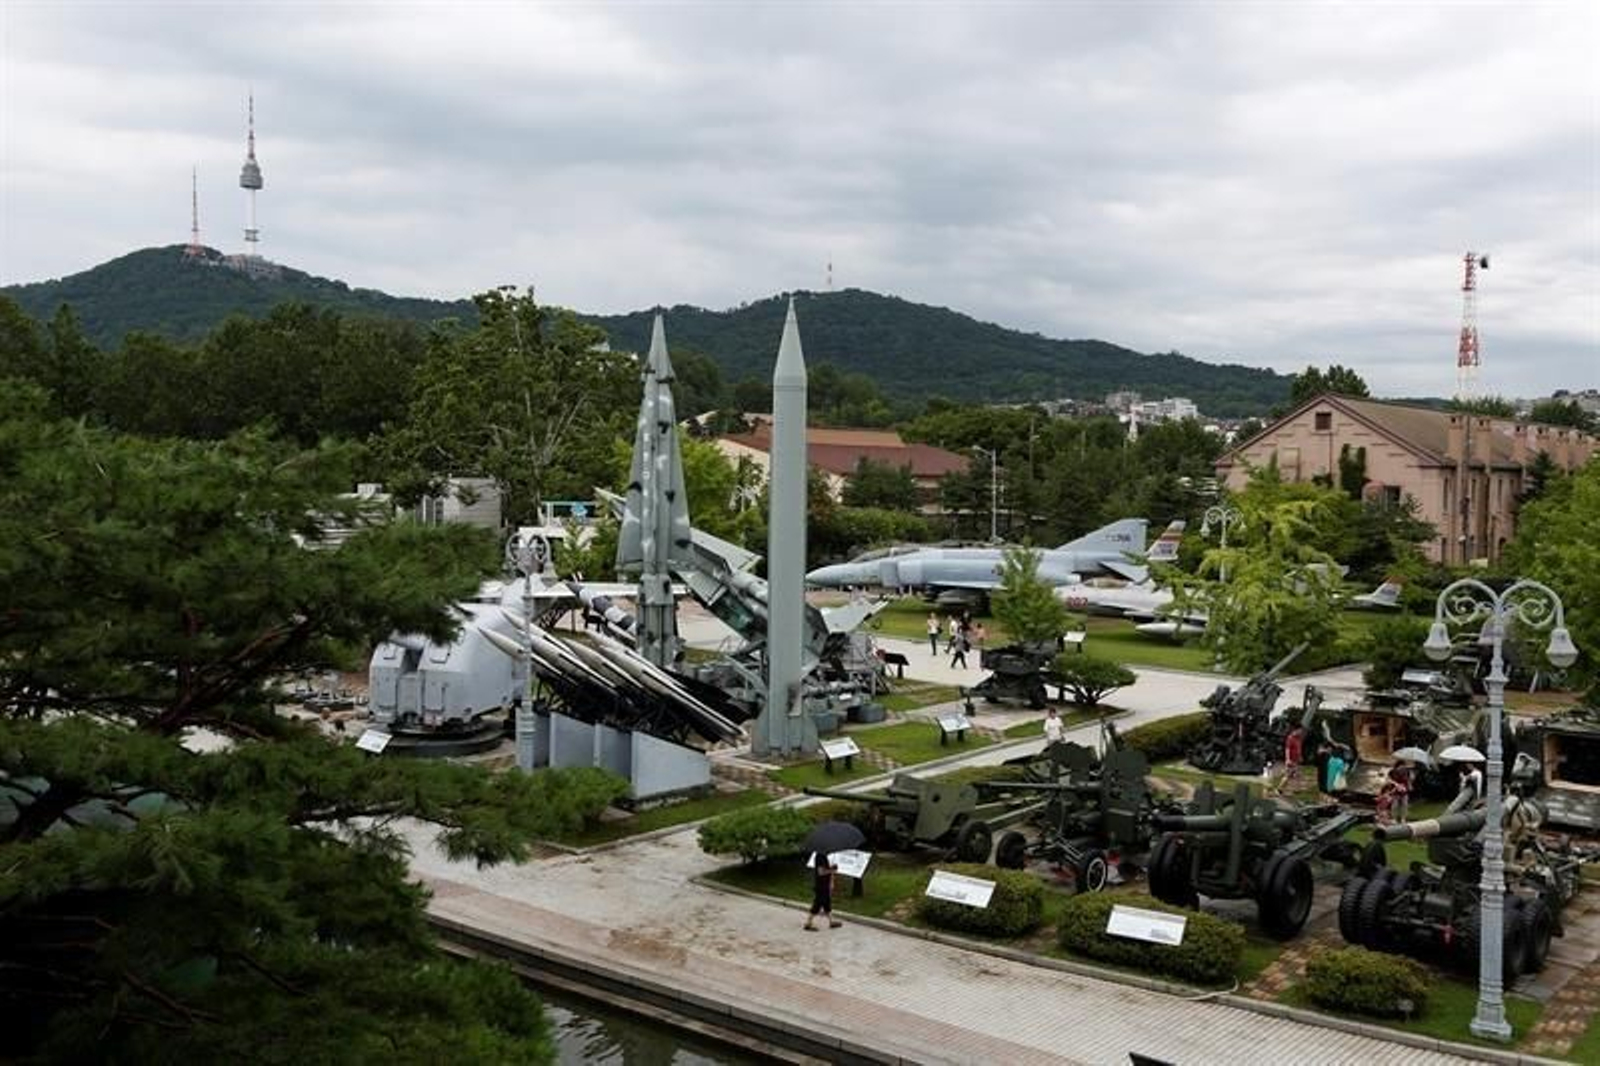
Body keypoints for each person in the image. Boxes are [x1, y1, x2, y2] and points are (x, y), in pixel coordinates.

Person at [803, 852, 841, 930]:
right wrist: (831, 870)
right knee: (818, 903)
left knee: (827, 903)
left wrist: (831, 874)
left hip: (825, 884)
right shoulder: (820, 856)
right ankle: (808, 923)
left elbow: (826, 869)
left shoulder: (825, 856)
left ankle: (831, 922)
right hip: (821, 885)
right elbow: (820, 872)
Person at [1279, 724, 1305, 794]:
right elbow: (1287, 749)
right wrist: (1287, 759)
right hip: (1291, 760)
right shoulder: (1290, 738)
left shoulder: (1298, 739)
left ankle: (1296, 790)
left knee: (1297, 775)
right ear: (1296, 730)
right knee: (1288, 776)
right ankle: (1280, 788)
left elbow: (1299, 749)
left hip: (1296, 760)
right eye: (1300, 730)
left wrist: (1300, 756)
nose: (1301, 732)